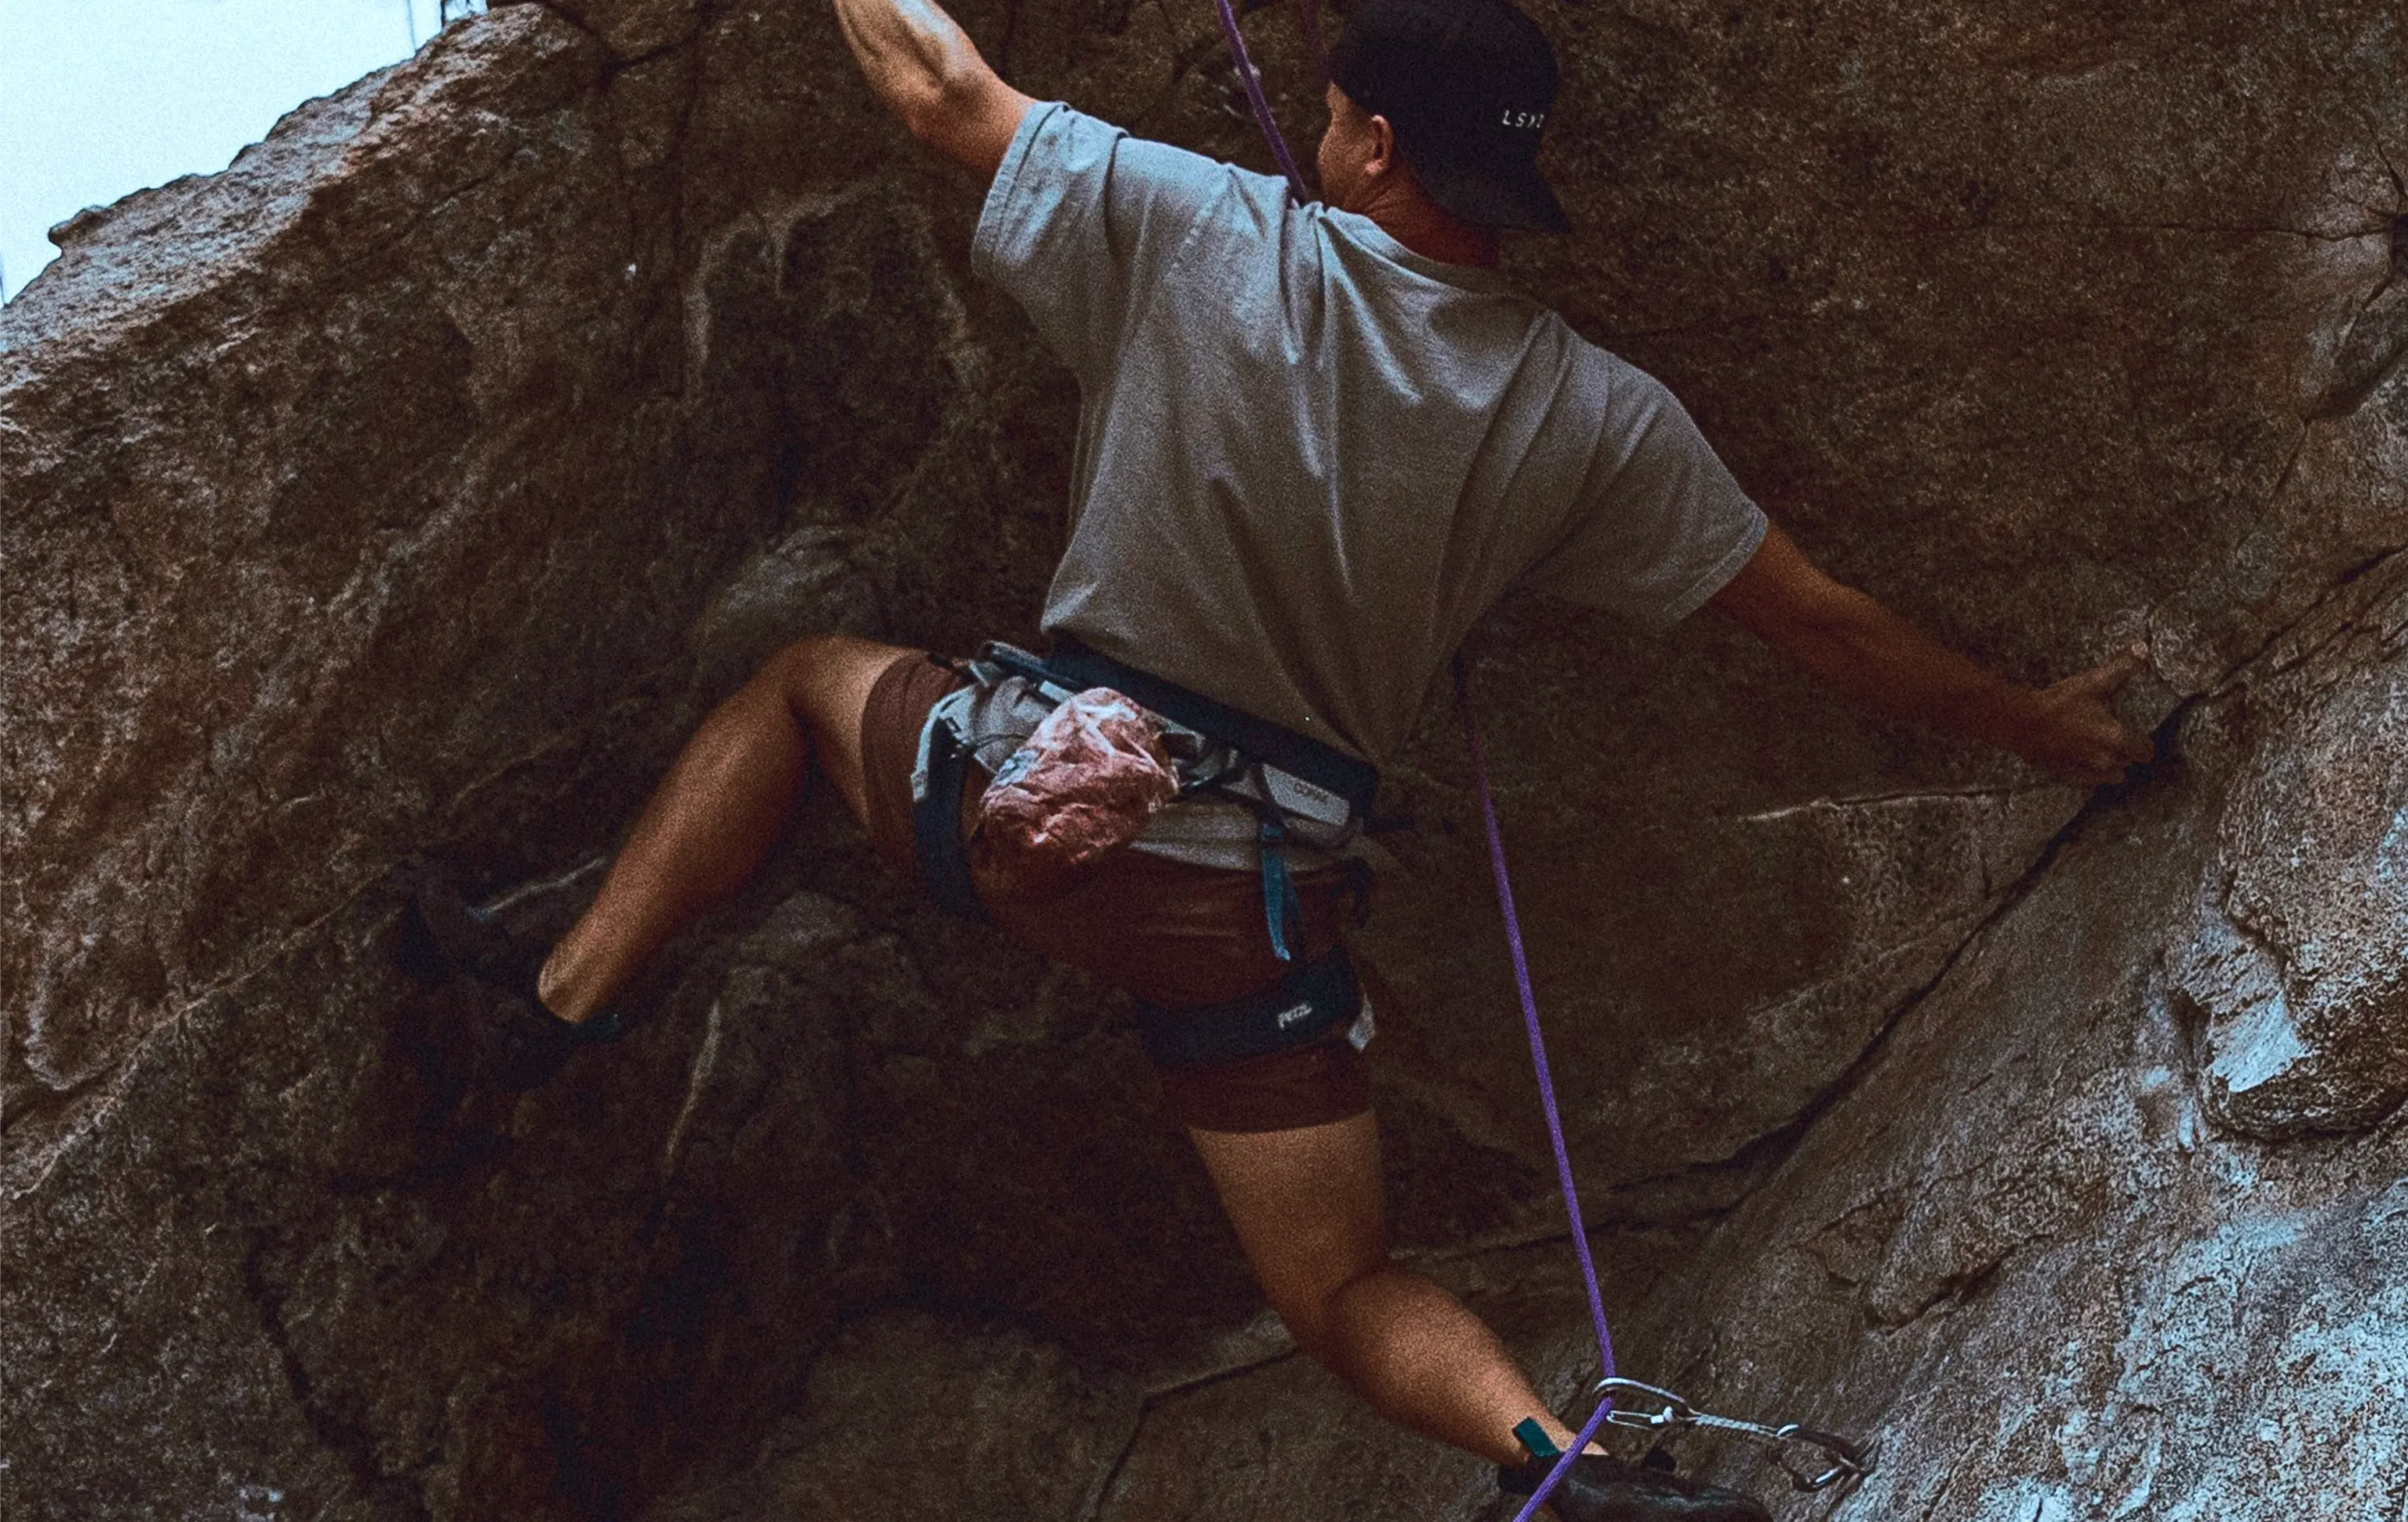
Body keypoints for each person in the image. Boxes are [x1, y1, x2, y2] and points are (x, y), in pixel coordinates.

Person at [413, 0, 2154, 1513]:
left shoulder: (1210, 231)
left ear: (1378, 144)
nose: (1309, 130)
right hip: (1245, 914)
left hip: (1031, 806)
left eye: (1331, 110)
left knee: (800, 683)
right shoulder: (1589, 411)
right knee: (1341, 1291)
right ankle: (1568, 1467)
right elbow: (1823, 621)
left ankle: (555, 1006)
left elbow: (939, 92)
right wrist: (2041, 726)